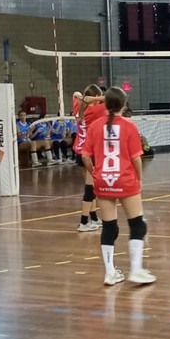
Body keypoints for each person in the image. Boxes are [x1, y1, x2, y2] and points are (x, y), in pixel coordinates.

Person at [81, 87, 156, 287]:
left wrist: (96, 171)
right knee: (138, 224)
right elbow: (136, 158)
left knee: (109, 227)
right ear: (123, 105)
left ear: (105, 104)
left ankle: (110, 273)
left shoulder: (95, 126)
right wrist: (139, 179)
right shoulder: (128, 126)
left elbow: (85, 156)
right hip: (124, 179)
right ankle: (137, 270)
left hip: (103, 180)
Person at [74, 86, 105, 232]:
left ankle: (93, 218)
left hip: (79, 151)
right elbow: (115, 98)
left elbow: (76, 94)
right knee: (89, 188)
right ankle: (84, 221)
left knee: (90, 187)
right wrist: (96, 99)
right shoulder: (96, 110)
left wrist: (83, 97)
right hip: (90, 153)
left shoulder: (79, 107)